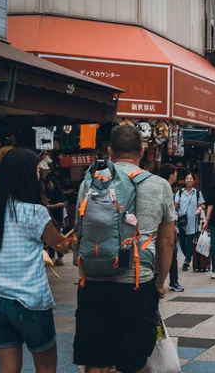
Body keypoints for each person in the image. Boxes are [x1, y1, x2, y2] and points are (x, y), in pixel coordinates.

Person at [73, 125, 176, 373]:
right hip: (136, 283)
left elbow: (79, 230)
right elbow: (167, 241)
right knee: (133, 361)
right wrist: (161, 282)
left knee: (95, 360)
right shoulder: (159, 185)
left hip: (93, 281)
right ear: (142, 152)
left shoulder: (89, 182)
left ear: (109, 151)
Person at [0, 148, 67, 373]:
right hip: (30, 302)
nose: (39, 176)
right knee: (45, 368)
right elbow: (62, 245)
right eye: (37, 171)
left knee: (8, 369)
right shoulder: (36, 213)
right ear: (27, 175)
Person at [159, 164, 184, 292]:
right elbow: (169, 211)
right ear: (171, 175)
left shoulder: (158, 186)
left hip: (158, 225)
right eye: (175, 173)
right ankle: (172, 282)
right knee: (171, 252)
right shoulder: (166, 188)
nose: (176, 176)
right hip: (166, 225)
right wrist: (173, 227)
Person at [175, 172, 205, 272]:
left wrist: (199, 209)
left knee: (189, 242)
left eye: (191, 178)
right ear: (185, 180)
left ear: (194, 181)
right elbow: (176, 205)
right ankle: (188, 255)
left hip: (192, 220)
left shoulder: (197, 193)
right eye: (187, 178)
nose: (189, 180)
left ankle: (187, 261)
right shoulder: (180, 193)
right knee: (182, 242)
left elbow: (202, 204)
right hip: (182, 220)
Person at [44, 175, 65, 266]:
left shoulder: (58, 191)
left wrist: (51, 206)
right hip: (50, 216)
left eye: (49, 183)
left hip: (58, 216)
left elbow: (62, 203)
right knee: (51, 238)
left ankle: (60, 258)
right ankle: (52, 257)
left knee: (58, 238)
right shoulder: (47, 192)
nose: (48, 185)